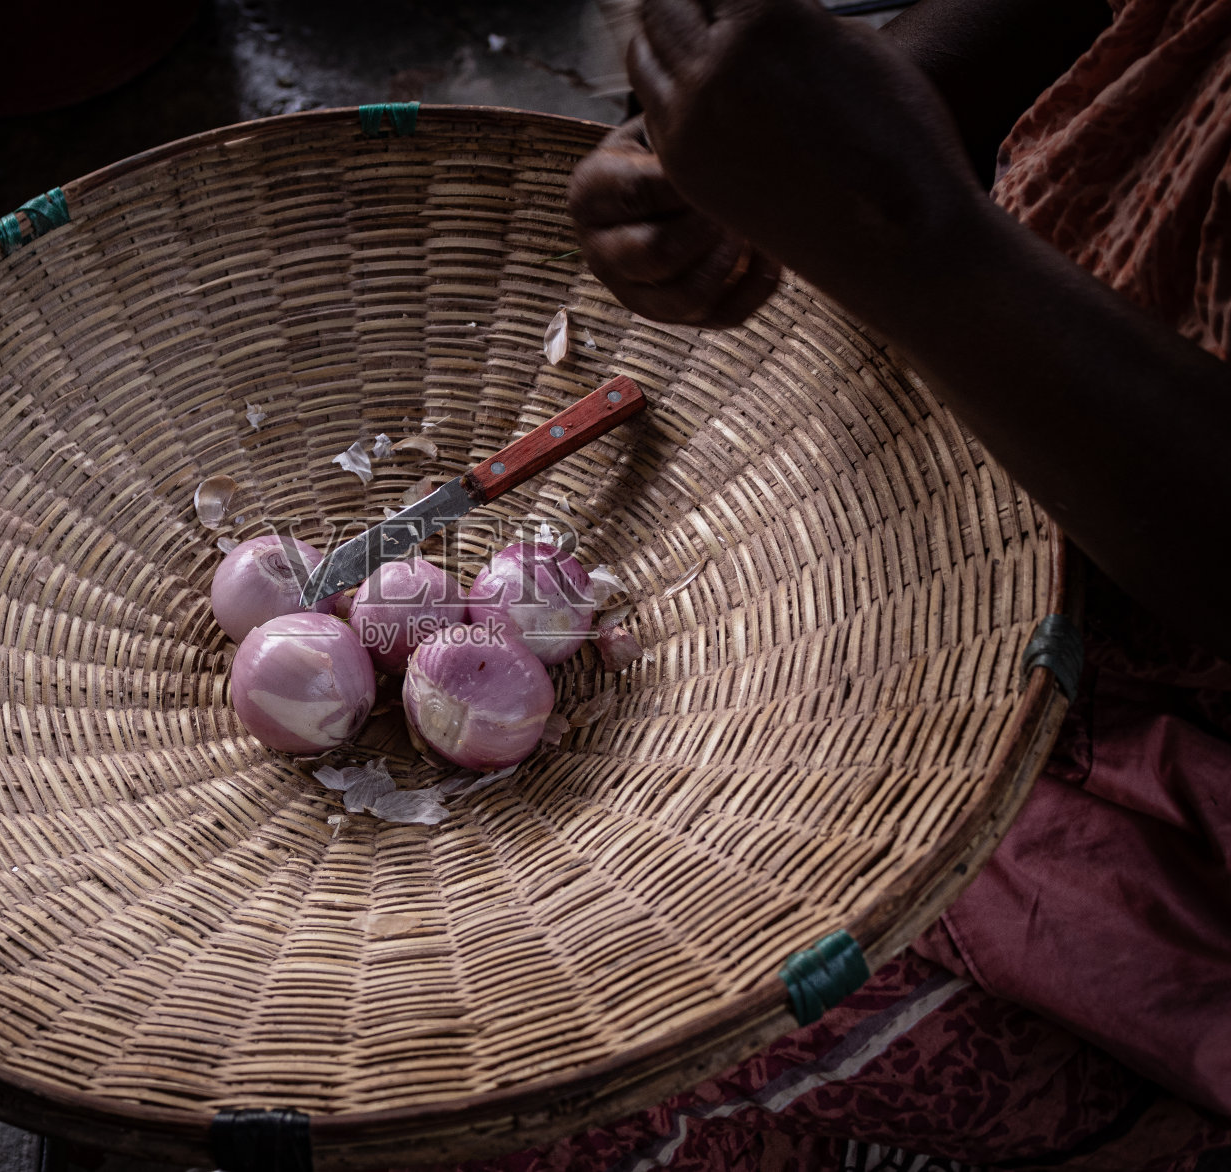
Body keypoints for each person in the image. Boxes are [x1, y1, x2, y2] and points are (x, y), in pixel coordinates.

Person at [422, 0, 1231, 1166]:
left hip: (1159, 634)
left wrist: (911, 228)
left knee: (552, 1070)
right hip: (1013, 419)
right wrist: (781, 145)